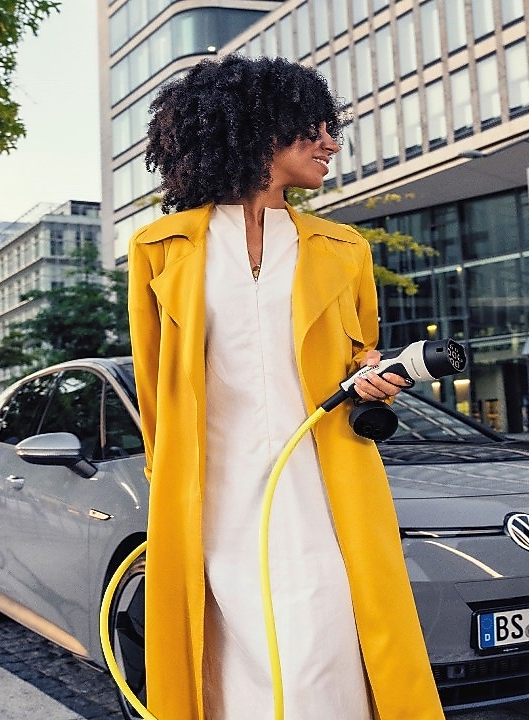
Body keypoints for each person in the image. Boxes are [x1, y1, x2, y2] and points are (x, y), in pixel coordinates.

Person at [127, 55, 446, 720]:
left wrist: (373, 379)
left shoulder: (344, 247)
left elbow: (359, 356)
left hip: (321, 479)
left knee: (321, 633)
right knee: (228, 654)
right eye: (315, 128)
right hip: (212, 489)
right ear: (259, 130)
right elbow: (155, 382)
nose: (332, 143)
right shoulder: (160, 248)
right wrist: (167, 482)